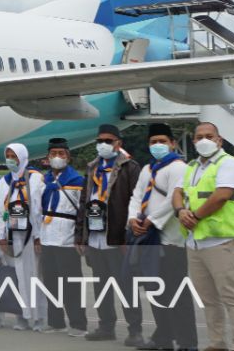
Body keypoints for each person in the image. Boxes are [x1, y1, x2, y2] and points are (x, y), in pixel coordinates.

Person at [173, 121, 234, 351]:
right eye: (199, 137)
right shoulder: (192, 166)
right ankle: (217, 343)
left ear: (219, 140)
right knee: (208, 300)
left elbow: (222, 195)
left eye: (209, 136)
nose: (204, 140)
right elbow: (177, 192)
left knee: (231, 298)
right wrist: (180, 211)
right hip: (196, 242)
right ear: (193, 141)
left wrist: (193, 215)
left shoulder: (229, 164)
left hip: (222, 240)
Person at [127, 123, 195, 351]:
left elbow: (174, 200)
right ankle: (163, 336)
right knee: (156, 292)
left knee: (177, 293)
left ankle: (187, 341)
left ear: (172, 143)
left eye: (162, 141)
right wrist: (132, 218)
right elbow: (136, 195)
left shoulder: (178, 167)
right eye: (153, 142)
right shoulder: (147, 169)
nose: (158, 145)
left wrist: (151, 220)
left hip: (170, 239)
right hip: (148, 239)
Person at [75, 123, 143, 345]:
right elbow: (84, 202)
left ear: (118, 143)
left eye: (108, 141)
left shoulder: (130, 167)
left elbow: (138, 203)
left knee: (126, 287)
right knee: (101, 286)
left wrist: (129, 237)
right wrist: (80, 237)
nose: (103, 145)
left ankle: (135, 330)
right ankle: (106, 326)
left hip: (118, 238)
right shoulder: (92, 167)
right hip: (95, 236)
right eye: (99, 141)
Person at [0, 143, 45, 331]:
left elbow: (40, 210)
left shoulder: (36, 179)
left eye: (14, 156)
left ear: (22, 157)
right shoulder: (4, 182)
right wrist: (0, 237)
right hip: (13, 238)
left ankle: (39, 317)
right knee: (17, 278)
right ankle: (22, 316)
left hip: (31, 237)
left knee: (35, 277)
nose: (10, 160)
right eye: (8, 156)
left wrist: (39, 236)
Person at [38, 138, 87, 337]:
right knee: (51, 282)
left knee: (71, 284)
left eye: (61, 154)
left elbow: (82, 212)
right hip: (47, 235)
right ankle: (56, 322)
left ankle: (78, 323)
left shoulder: (77, 181)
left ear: (68, 156)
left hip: (67, 237)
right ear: (48, 158)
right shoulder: (45, 181)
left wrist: (80, 238)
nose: (57, 158)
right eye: (53, 154)